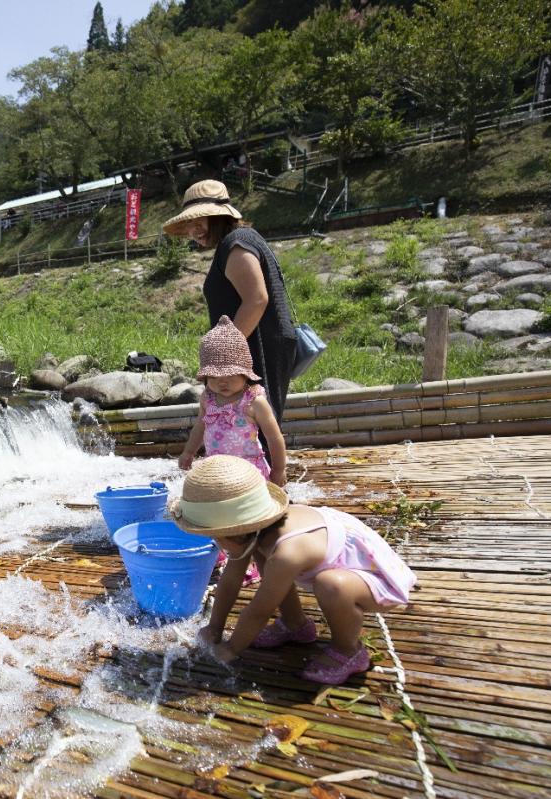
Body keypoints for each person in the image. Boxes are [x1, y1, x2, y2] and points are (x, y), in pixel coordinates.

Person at [171, 456, 416, 685]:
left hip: (376, 580)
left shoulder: (288, 552)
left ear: (233, 532)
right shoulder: (254, 534)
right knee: (266, 559)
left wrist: (231, 648)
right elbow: (230, 580)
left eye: (213, 537)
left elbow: (259, 611)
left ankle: (349, 651)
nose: (215, 544)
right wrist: (214, 627)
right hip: (348, 569)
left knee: (331, 585)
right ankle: (295, 624)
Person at [162, 180, 297, 423]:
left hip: (257, 346)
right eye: (189, 225)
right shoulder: (238, 241)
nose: (194, 231)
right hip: (256, 343)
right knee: (250, 424)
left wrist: (225, 354)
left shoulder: (236, 243)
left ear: (219, 217)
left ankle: (260, 462)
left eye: (199, 221)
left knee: (254, 424)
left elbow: (256, 300)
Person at [177, 315, 286, 486]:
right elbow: (200, 426)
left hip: (249, 471)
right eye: (213, 376)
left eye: (230, 375)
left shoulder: (253, 401)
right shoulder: (208, 398)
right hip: (217, 471)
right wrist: (189, 452)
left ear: (245, 374)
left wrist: (279, 469)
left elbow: (274, 438)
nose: (222, 381)